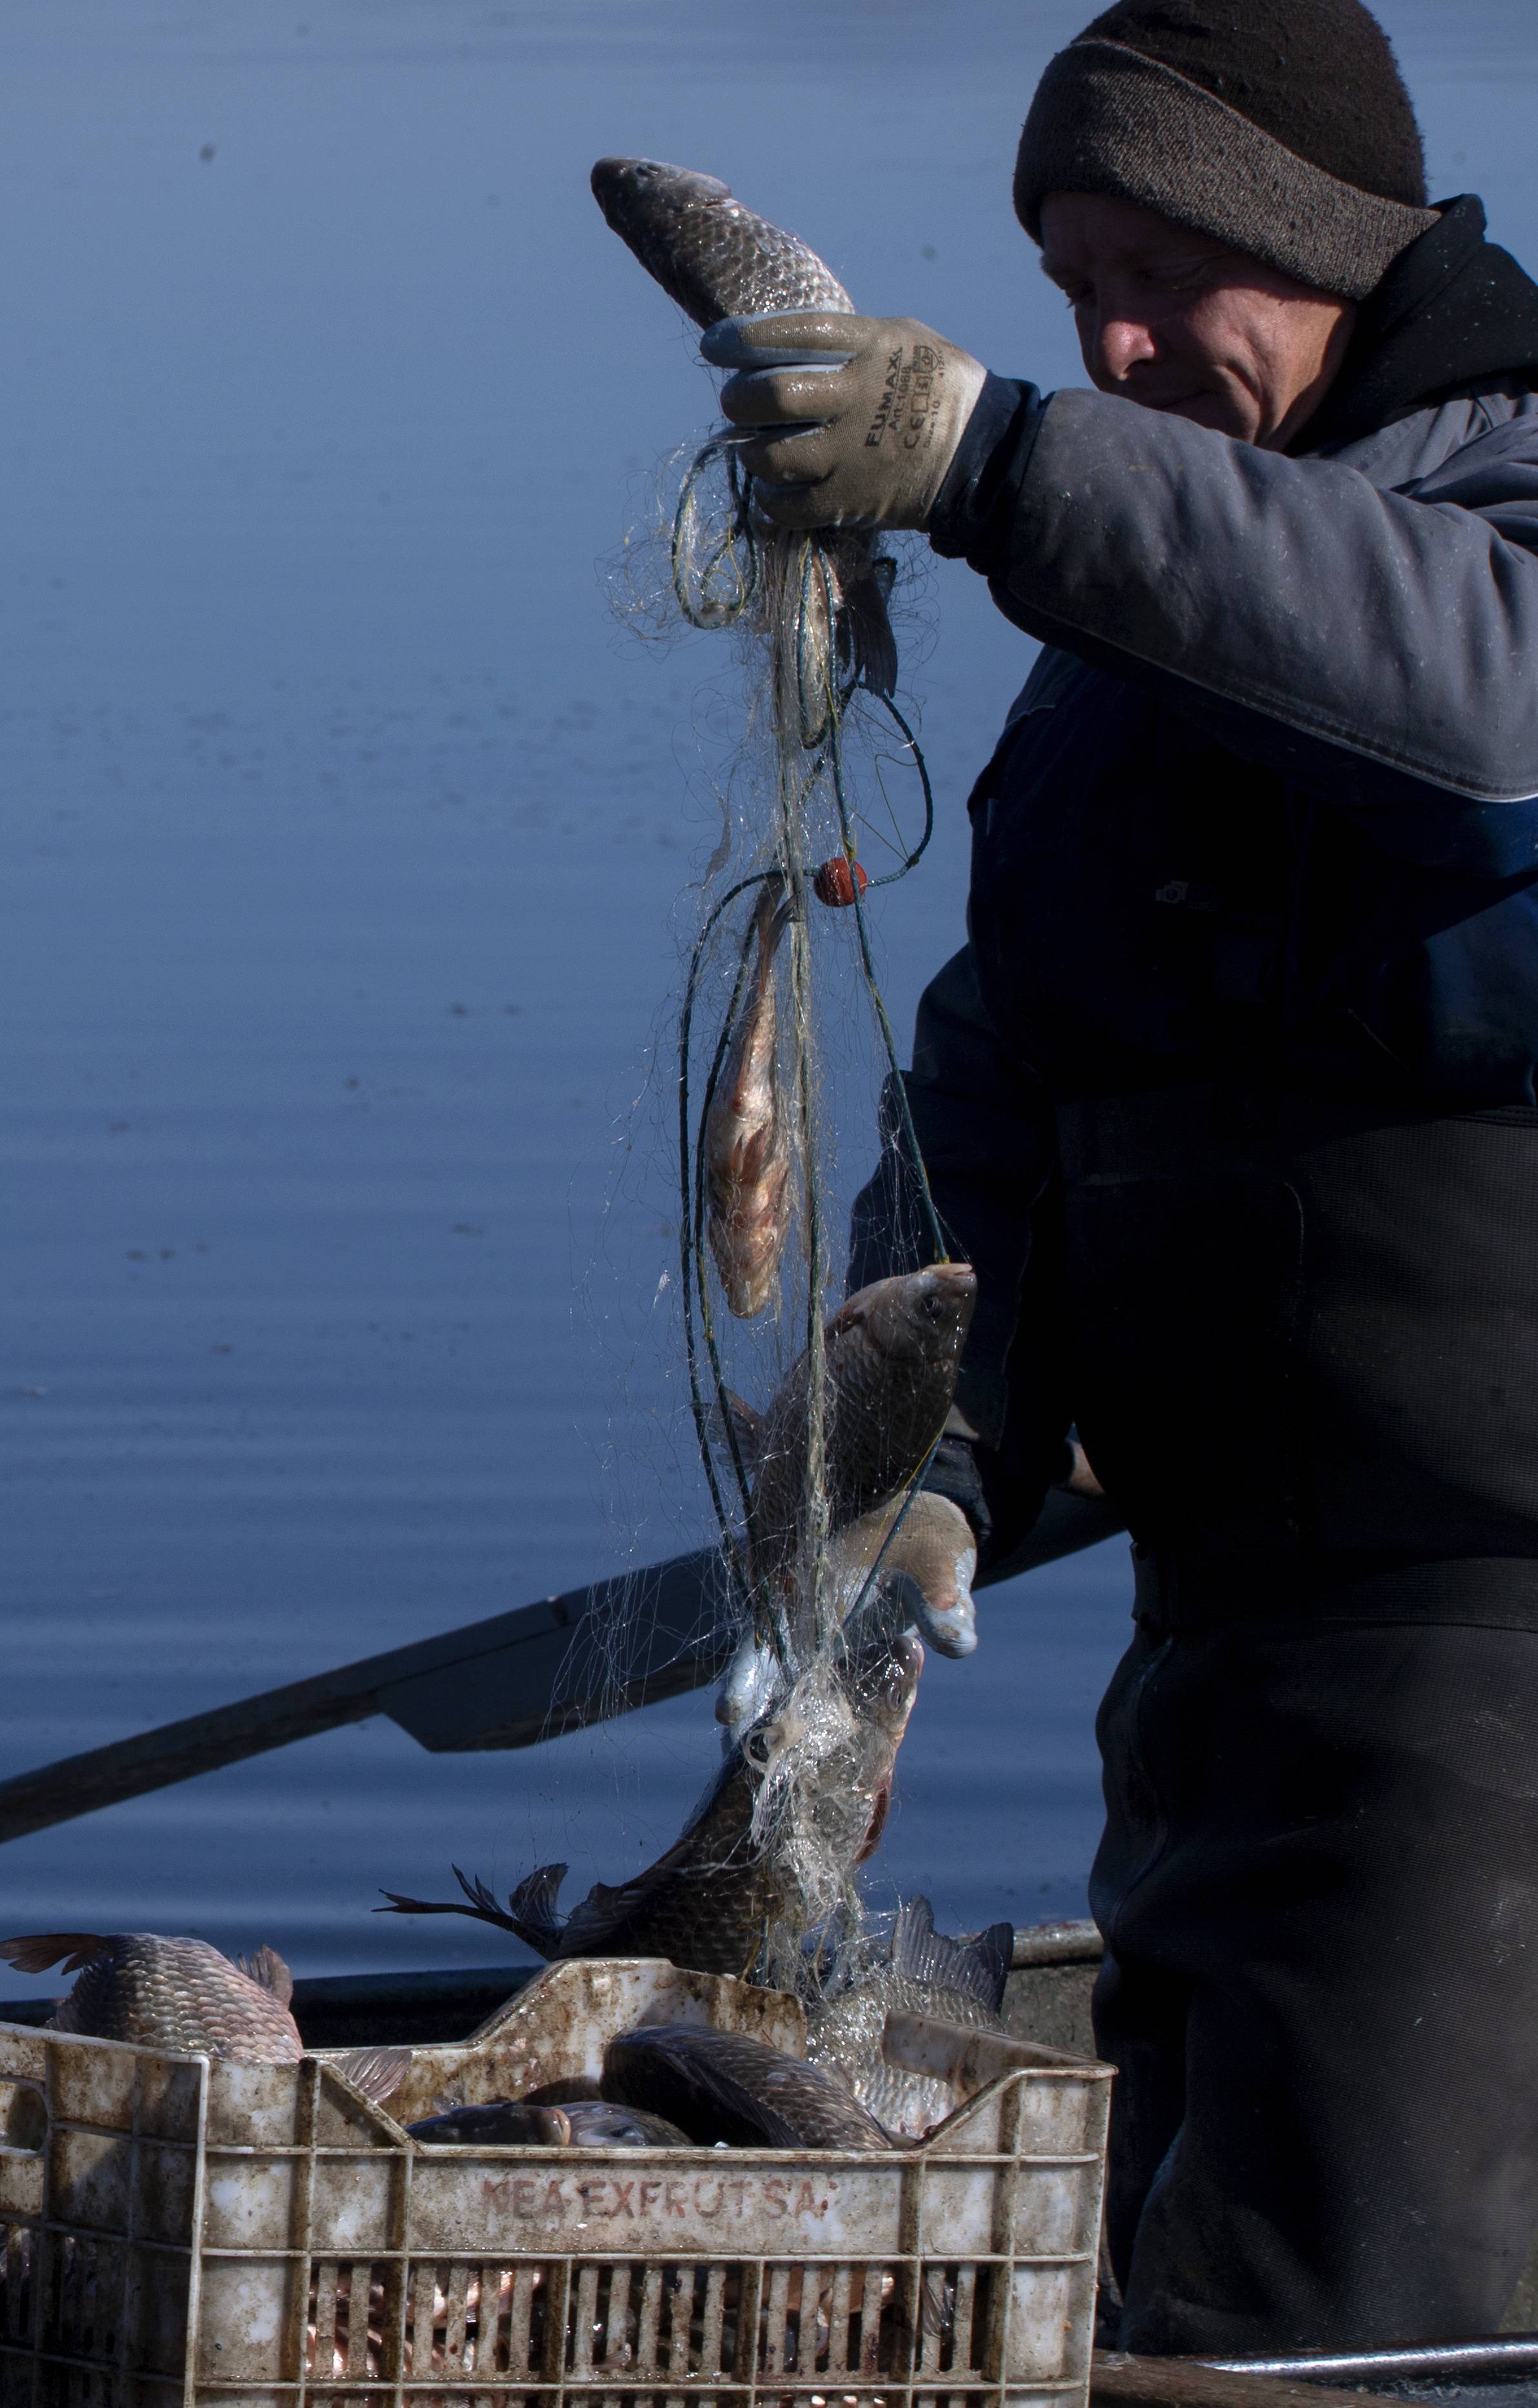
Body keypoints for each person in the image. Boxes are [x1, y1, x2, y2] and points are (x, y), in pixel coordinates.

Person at [706, 0, 1538, 2356]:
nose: (1123, 336)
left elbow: (1490, 731)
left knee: (1353, 2335)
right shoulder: (1154, 627)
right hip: (1227, 1670)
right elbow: (1016, 1063)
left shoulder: (1485, 532)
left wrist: (1002, 455)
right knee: (1170, 2309)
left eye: (1170, 272)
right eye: (1076, 292)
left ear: (1333, 247)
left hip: (1493, 1691)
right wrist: (926, 1447)